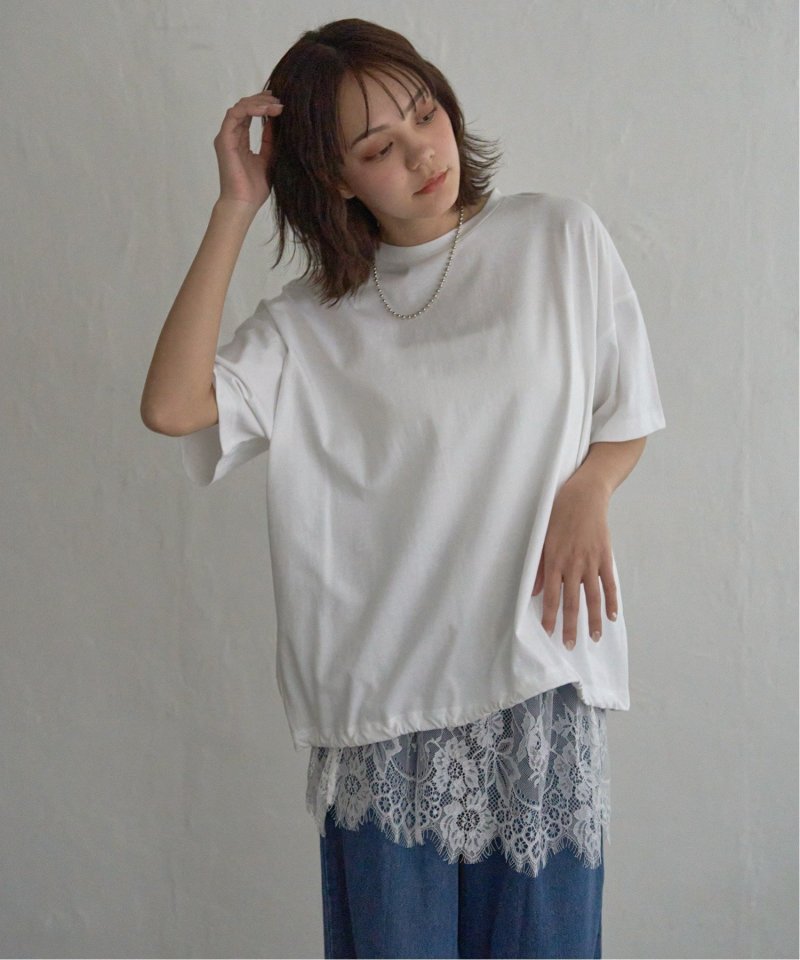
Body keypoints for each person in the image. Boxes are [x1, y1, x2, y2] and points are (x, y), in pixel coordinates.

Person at [141, 17, 666, 960]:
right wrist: (235, 206)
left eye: (424, 113)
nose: (423, 153)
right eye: (377, 148)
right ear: (337, 178)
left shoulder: (557, 238)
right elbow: (173, 406)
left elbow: (625, 410)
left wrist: (590, 488)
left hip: (535, 679)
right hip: (382, 712)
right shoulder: (307, 325)